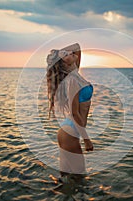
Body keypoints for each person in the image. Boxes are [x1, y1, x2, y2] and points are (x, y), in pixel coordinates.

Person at [46, 43, 94, 180]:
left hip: (67, 131)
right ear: (63, 64)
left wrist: (60, 53)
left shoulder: (75, 73)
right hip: (70, 132)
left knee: (64, 177)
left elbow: (77, 46)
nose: (70, 53)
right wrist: (87, 140)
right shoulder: (72, 80)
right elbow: (75, 113)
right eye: (65, 55)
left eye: (68, 53)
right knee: (80, 178)